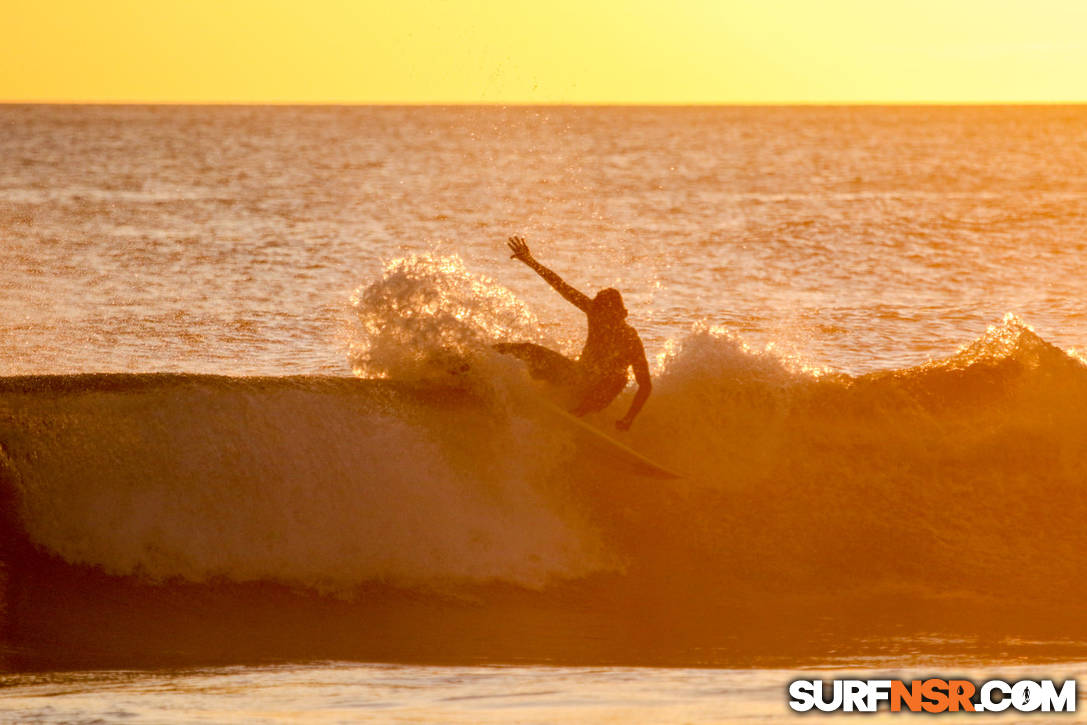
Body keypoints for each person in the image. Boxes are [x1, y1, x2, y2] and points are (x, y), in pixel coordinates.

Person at [495, 236, 652, 431]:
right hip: (575, 377)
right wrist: (529, 260)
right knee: (529, 349)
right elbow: (560, 285)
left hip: (596, 396)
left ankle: (580, 412)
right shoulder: (595, 312)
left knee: (621, 378)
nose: (601, 319)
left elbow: (645, 385)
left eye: (606, 315)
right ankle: (480, 356)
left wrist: (629, 418)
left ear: (618, 314)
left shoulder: (630, 340)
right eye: (598, 312)